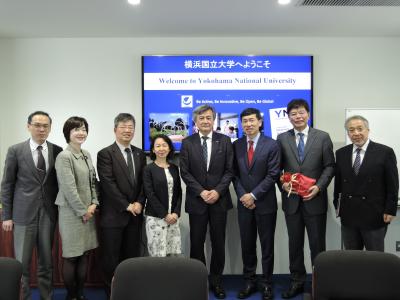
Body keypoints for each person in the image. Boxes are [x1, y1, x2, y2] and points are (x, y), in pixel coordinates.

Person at [1, 111, 62, 300]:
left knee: (46, 261)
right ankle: (23, 296)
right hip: (22, 215)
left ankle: (46, 297)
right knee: (22, 263)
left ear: (50, 128)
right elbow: (7, 184)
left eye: (45, 125)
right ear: (28, 126)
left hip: (48, 214)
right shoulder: (15, 150)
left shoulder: (57, 150)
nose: (41, 129)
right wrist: (7, 216)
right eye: (37, 125)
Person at [277, 99, 335, 299]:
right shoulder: (282, 138)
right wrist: (282, 183)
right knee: (295, 244)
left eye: (301, 112)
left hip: (315, 200)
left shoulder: (322, 137)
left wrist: (319, 187)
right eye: (293, 114)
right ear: (289, 117)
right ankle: (297, 282)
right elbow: (277, 168)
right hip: (291, 200)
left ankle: (320, 283)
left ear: (308, 114)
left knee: (317, 244)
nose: (298, 117)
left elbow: (330, 166)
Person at [180, 105, 234, 299]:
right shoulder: (187, 142)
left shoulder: (225, 141)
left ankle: (217, 281)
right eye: (201, 118)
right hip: (197, 201)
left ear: (214, 120)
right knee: (196, 243)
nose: (205, 121)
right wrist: (202, 192)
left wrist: (217, 191)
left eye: (208, 118)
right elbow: (184, 172)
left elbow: (229, 170)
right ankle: (199, 280)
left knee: (218, 243)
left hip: (219, 201)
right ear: (195, 121)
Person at [97, 113, 146, 299]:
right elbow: (108, 184)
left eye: (131, 127)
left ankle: (129, 290)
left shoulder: (140, 153)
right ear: (115, 129)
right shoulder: (105, 153)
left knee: (132, 256)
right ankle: (111, 291)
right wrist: (127, 205)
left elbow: (144, 182)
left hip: (135, 214)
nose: (127, 130)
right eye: (123, 127)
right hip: (114, 214)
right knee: (111, 256)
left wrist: (140, 202)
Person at [233, 108, 280, 300]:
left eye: (252, 120)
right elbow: (233, 174)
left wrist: (253, 195)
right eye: (244, 121)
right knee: (247, 245)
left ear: (260, 122)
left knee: (267, 246)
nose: (248, 124)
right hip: (244, 204)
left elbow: (273, 174)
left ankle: (267, 283)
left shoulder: (272, 145)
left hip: (265, 204)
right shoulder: (236, 145)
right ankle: (249, 281)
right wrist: (244, 195)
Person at [334, 115, 398, 251]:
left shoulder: (384, 152)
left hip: (374, 214)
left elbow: (392, 184)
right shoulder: (341, 153)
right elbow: (338, 185)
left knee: (375, 258)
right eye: (351, 130)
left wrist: (390, 209)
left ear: (368, 130)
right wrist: (337, 206)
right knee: (352, 258)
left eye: (359, 129)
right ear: (348, 133)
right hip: (348, 215)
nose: (356, 133)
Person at [55, 116, 98, 300]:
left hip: (89, 211)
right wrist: (83, 211)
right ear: (68, 133)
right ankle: (71, 295)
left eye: (83, 129)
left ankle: (80, 293)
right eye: (76, 130)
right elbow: (68, 189)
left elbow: (93, 183)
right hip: (71, 214)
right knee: (72, 255)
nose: (81, 133)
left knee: (85, 254)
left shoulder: (86, 154)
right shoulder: (64, 157)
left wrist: (94, 203)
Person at [143, 134, 182, 256]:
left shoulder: (175, 168)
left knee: (171, 253)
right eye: (158, 146)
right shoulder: (148, 169)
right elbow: (150, 194)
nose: (161, 149)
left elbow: (179, 192)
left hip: (173, 219)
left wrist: (176, 213)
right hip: (156, 218)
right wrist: (165, 215)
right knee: (157, 255)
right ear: (153, 150)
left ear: (169, 148)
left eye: (164, 145)